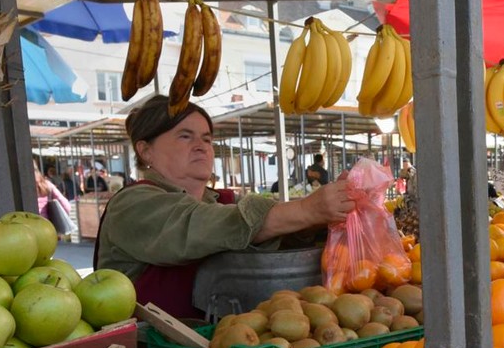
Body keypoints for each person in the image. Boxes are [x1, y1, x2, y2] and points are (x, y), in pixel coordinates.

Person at [95, 96, 352, 318]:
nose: (201, 146)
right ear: (145, 150)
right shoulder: (133, 204)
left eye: (207, 139)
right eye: (185, 136)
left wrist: (322, 220)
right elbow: (201, 225)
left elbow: (271, 233)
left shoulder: (222, 201)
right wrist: (308, 209)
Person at [34, 165, 74, 239]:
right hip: (46, 228)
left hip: (28, 229)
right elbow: (66, 205)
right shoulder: (47, 185)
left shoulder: (23, 187)